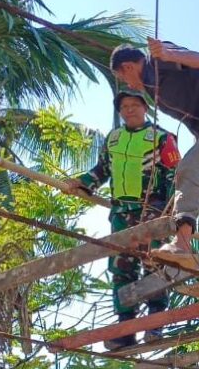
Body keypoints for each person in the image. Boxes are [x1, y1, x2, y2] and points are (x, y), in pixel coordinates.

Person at [110, 39, 199, 283]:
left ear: (128, 67)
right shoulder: (153, 89)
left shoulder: (158, 60)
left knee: (188, 169)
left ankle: (182, 244)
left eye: (122, 77)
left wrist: (166, 53)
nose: (127, 83)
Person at [65, 89, 179, 350]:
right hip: (120, 212)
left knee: (155, 262)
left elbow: (175, 175)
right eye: (125, 106)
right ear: (120, 112)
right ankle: (125, 326)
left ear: (145, 109)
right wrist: (82, 184)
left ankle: (155, 323)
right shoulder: (113, 139)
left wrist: (172, 211)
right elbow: (101, 170)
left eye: (135, 105)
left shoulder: (162, 138)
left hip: (153, 209)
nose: (130, 110)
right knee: (121, 267)